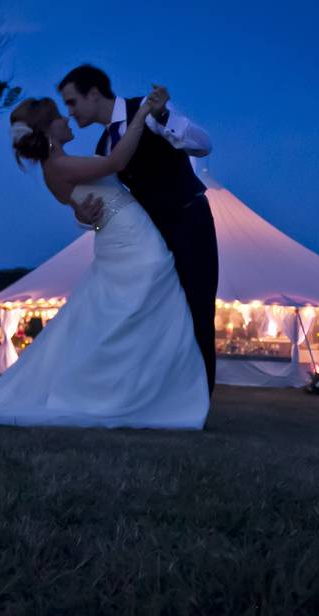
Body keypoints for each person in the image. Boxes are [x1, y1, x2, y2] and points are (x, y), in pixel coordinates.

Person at [0, 86, 208, 429]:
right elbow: (116, 163)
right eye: (61, 116)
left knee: (129, 313)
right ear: (49, 129)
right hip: (129, 240)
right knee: (145, 301)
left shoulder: (58, 166)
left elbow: (81, 206)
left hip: (120, 238)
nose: (68, 119)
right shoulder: (60, 165)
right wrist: (140, 114)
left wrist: (84, 215)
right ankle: (139, 393)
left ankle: (144, 391)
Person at [59, 65, 218, 400]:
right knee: (159, 312)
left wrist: (162, 118)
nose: (70, 113)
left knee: (198, 309)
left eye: (72, 103)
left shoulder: (146, 110)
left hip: (189, 221)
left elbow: (203, 145)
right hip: (150, 239)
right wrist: (84, 215)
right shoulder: (104, 148)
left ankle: (200, 401)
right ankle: (160, 397)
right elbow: (109, 202)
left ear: (93, 93)